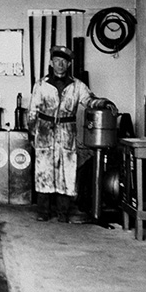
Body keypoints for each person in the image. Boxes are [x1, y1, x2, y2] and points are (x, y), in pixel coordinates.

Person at [28, 45, 92, 222]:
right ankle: (43, 212)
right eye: (57, 61)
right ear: (51, 62)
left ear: (69, 64)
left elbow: (89, 100)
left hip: (67, 132)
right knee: (44, 171)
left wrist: (102, 103)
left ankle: (63, 213)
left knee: (67, 171)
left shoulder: (77, 86)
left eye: (64, 61)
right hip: (44, 131)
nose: (60, 64)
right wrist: (32, 133)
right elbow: (33, 110)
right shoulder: (41, 85)